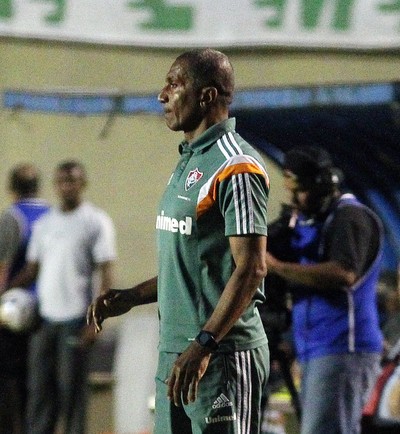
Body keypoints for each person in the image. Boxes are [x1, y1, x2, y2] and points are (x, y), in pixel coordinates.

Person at [87, 48, 270, 434]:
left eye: (174, 83)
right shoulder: (189, 160)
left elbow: (251, 268)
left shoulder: (235, 166)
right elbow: (192, 266)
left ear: (206, 96)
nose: (162, 94)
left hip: (220, 357)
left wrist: (204, 344)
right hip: (176, 354)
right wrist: (131, 297)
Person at [265, 145, 384, 434]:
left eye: (300, 190)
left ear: (323, 185)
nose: (293, 199)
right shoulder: (314, 220)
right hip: (315, 347)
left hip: (344, 347)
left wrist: (277, 267)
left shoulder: (350, 218)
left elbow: (344, 273)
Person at [10, 160, 117, 434]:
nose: (66, 186)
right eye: (62, 181)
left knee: (71, 393)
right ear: (55, 186)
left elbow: (106, 273)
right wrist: (7, 289)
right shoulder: (45, 224)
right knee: (39, 391)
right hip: (44, 321)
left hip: (75, 320)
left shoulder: (95, 222)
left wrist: (96, 321)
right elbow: (32, 269)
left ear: (82, 184)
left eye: (72, 181)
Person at [0, 163, 50, 434]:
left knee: (11, 383)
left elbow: (3, 268)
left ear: (11, 189)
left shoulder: (12, 218)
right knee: (38, 383)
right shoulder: (52, 214)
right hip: (46, 312)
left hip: (14, 314)